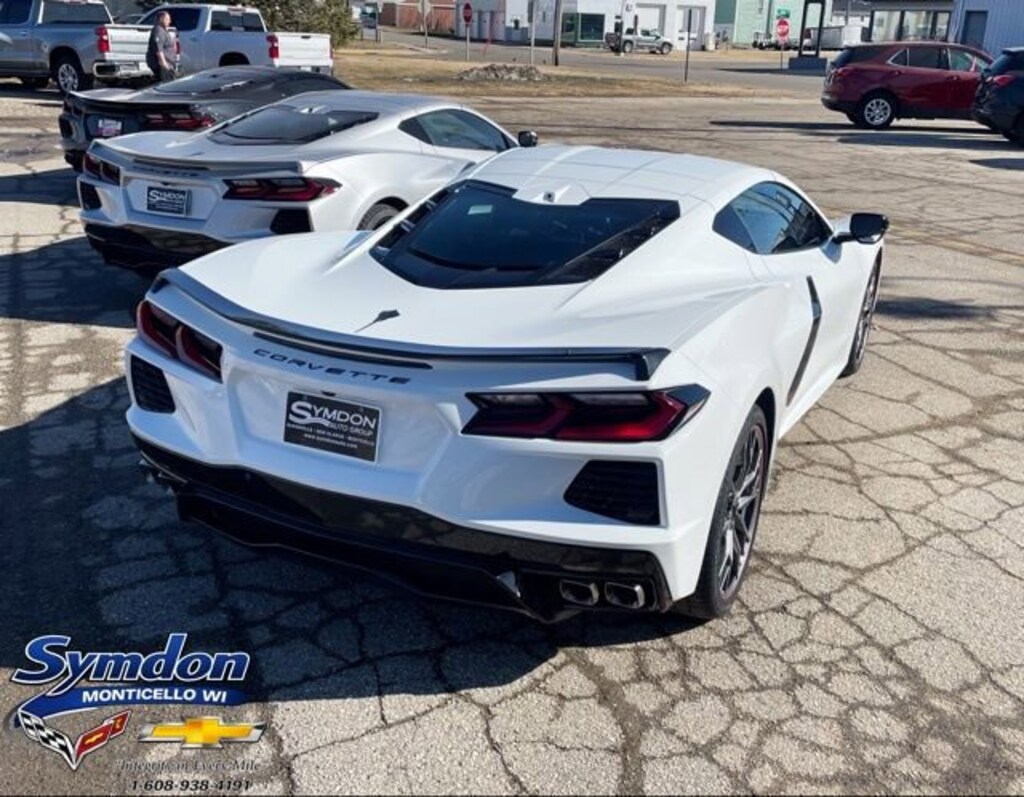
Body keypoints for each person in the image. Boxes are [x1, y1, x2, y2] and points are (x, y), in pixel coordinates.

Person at [146, 11, 177, 83]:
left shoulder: (163, 30)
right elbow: (158, 49)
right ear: (161, 19)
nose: (169, 21)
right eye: (167, 19)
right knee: (165, 84)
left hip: (168, 64)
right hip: (162, 65)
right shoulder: (158, 30)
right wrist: (163, 63)